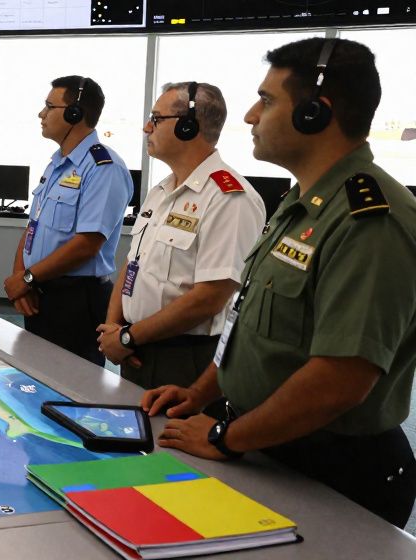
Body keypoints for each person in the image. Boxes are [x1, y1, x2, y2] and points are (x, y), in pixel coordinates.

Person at [143, 37, 416, 527]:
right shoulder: (298, 207)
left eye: (267, 101)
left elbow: (341, 380)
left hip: (331, 471)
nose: (249, 115)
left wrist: (226, 437)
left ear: (315, 112)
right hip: (265, 444)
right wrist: (201, 392)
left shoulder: (369, 219)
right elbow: (246, 323)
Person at [96, 82, 264, 388]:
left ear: (188, 126)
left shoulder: (229, 198)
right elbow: (134, 263)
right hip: (135, 345)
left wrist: (128, 335)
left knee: (169, 435)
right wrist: (114, 325)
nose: (147, 127)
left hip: (184, 358)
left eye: (156, 119)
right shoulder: (161, 191)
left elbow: (210, 298)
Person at [4, 75, 133, 366]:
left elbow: (87, 244)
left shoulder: (104, 168)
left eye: (49, 106)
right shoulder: (56, 165)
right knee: (34, 379)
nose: (41, 114)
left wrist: (27, 278)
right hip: (40, 291)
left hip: (75, 300)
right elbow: (33, 227)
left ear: (75, 114)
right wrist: (20, 278)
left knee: (70, 389)